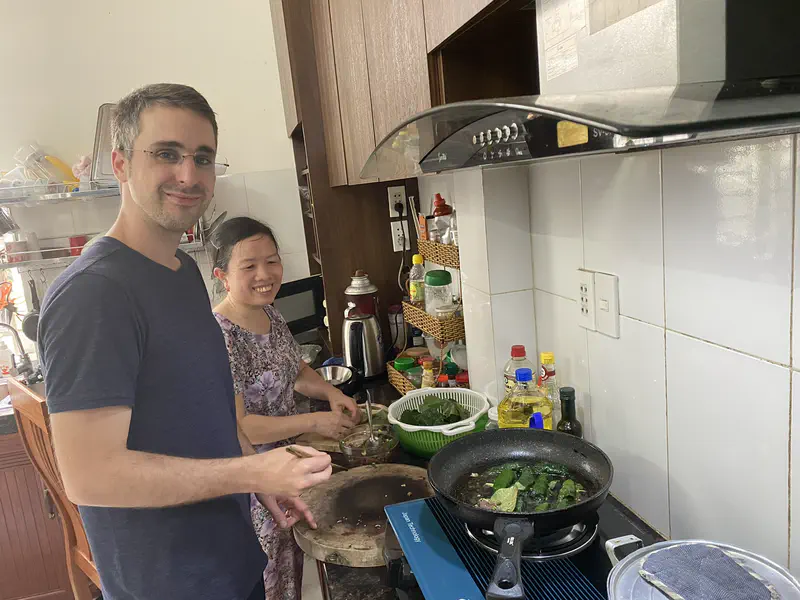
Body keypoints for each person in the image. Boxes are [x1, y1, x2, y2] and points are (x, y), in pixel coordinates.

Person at [37, 83, 333, 600]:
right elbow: (90, 476)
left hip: (229, 561)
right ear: (123, 163)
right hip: (168, 583)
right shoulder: (94, 293)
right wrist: (252, 468)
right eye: (166, 154)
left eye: (202, 157)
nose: (188, 175)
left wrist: (257, 482)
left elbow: (210, 409)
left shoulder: (180, 273)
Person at [211, 216, 361, 599]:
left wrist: (330, 393)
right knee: (268, 578)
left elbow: (294, 368)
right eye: (249, 266)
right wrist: (315, 419)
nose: (265, 274)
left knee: (292, 568)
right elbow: (243, 426)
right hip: (254, 479)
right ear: (221, 275)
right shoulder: (220, 336)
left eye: (272, 261)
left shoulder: (270, 312)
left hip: (287, 466)